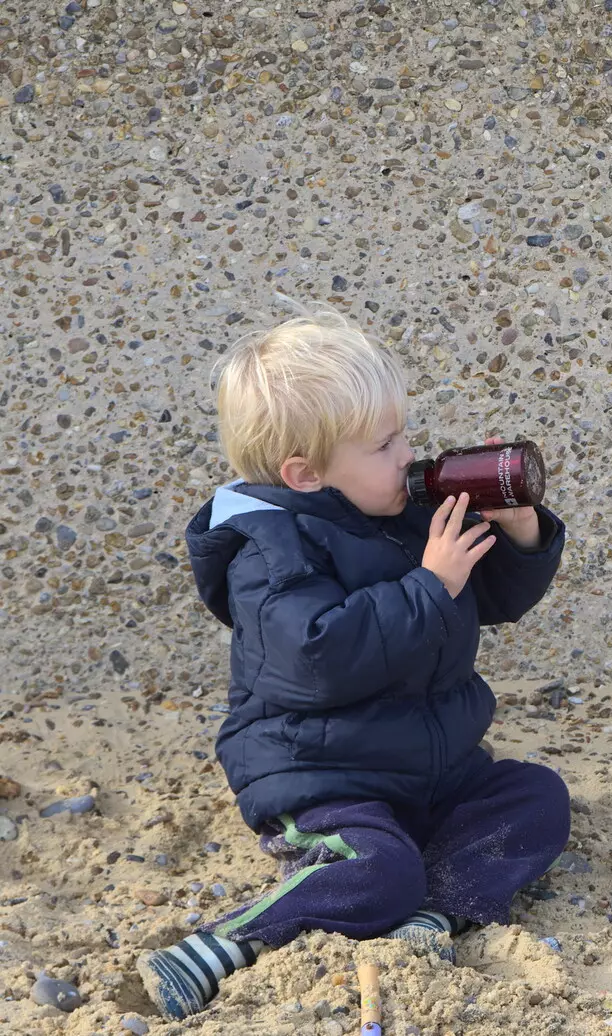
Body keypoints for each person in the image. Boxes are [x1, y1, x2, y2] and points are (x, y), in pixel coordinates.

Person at [137, 307, 569, 1020]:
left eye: (403, 433)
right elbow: (321, 657)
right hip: (323, 775)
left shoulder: (395, 510)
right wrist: (429, 587)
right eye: (383, 444)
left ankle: (432, 912)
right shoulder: (267, 552)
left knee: (536, 800)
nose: (407, 455)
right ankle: (221, 943)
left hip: (434, 767)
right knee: (379, 868)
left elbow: (489, 596)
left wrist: (521, 532)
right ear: (304, 474)